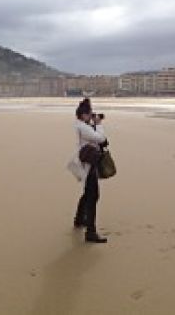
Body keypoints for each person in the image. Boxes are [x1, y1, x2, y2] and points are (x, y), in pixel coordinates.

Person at [67, 98, 109, 243]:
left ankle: (79, 219)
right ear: (84, 114)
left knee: (87, 194)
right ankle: (90, 232)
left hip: (87, 165)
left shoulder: (81, 125)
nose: (92, 116)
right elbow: (100, 138)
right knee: (93, 196)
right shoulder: (84, 127)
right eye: (90, 113)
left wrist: (93, 124)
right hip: (89, 166)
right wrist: (98, 125)